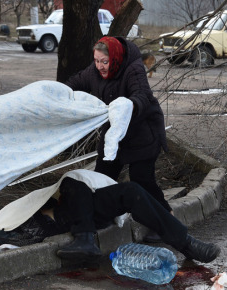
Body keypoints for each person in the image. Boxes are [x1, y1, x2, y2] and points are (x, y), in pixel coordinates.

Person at [64, 36, 171, 242]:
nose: (100, 66)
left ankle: (166, 221)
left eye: (105, 61)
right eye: (96, 61)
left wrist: (128, 106)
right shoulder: (94, 71)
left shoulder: (133, 68)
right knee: (102, 177)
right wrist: (59, 94)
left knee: (143, 179)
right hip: (114, 136)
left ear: (114, 57)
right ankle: (102, 217)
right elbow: (74, 84)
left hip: (143, 132)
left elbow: (142, 95)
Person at [45, 174, 220, 264]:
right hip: (62, 218)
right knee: (71, 181)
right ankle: (84, 238)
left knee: (131, 191)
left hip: (86, 213)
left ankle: (186, 244)